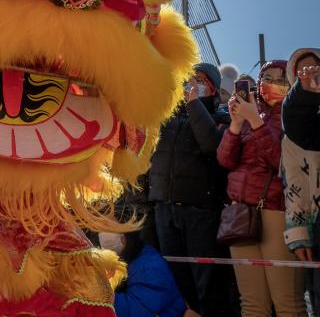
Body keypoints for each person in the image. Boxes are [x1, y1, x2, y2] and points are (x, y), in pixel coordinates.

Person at [218, 60, 304, 317]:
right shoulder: (248, 114)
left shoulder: (297, 115)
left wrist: (255, 122)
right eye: (267, 77)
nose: (272, 83)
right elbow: (225, 160)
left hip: (276, 212)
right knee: (252, 304)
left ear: (291, 83)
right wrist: (235, 124)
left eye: (280, 78)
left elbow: (281, 162)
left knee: (288, 303)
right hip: (240, 215)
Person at [149, 63, 234, 316]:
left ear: (214, 90)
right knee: (175, 282)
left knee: (207, 283)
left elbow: (211, 145)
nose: (193, 84)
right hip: (164, 208)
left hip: (201, 211)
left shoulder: (221, 116)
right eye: (190, 79)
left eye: (201, 81)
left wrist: (194, 103)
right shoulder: (167, 116)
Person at [279, 48, 320, 311]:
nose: (310, 74)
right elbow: (294, 186)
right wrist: (299, 236)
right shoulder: (299, 132)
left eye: (316, 69)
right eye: (302, 72)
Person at [100, 211, 187, 317]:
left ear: (124, 237)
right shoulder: (119, 259)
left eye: (109, 228)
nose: (103, 234)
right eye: (101, 227)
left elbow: (135, 311)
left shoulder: (151, 266)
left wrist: (100, 295)